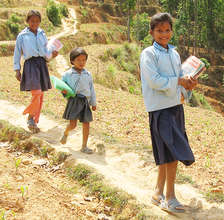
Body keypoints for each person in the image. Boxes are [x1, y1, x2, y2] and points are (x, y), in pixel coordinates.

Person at [140, 13, 198, 213]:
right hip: (159, 108)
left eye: (167, 30)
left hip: (175, 107)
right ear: (151, 32)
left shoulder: (174, 54)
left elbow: (180, 79)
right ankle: (170, 197)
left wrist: (188, 85)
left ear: (172, 31)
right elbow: (155, 81)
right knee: (172, 153)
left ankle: (158, 192)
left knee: (166, 153)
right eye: (159, 30)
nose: (164, 34)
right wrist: (179, 81)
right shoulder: (149, 54)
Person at [14, 10, 58, 133]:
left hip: (41, 64)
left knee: (41, 95)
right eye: (32, 21)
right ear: (27, 21)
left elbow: (46, 51)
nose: (35, 23)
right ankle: (29, 115)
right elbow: (17, 53)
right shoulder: (22, 36)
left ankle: (34, 119)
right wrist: (17, 70)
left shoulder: (42, 33)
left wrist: (52, 55)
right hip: (30, 65)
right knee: (37, 93)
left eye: (37, 21)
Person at [60, 48, 96, 154]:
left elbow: (91, 89)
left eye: (84, 60)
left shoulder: (88, 74)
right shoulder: (68, 74)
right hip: (74, 100)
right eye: (79, 60)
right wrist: (64, 93)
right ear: (72, 61)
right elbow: (62, 86)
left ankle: (84, 146)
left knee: (86, 123)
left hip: (85, 101)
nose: (81, 62)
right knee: (73, 125)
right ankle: (66, 132)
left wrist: (93, 103)